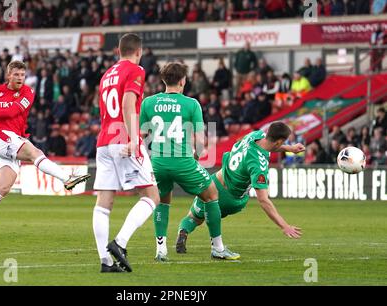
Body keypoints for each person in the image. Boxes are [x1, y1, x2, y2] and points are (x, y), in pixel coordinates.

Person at [0, 60, 90, 244]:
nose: (20, 78)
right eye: (16, 74)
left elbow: (11, 112)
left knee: (3, 188)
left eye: (23, 75)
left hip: (13, 139)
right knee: (35, 152)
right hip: (1, 137)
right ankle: (67, 179)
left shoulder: (28, 93)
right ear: (8, 75)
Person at [140, 62, 239, 262]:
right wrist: (196, 155)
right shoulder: (191, 104)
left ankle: (161, 250)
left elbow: (141, 135)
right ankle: (218, 248)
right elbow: (201, 140)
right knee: (211, 195)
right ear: (183, 81)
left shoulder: (148, 103)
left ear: (163, 80)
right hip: (183, 162)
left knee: (162, 202)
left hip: (158, 162)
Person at [176, 122, 304, 256]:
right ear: (279, 142)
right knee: (211, 214)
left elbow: (270, 146)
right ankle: (217, 247)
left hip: (213, 182)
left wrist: (290, 148)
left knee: (194, 217)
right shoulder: (258, 164)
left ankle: (183, 231)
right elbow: (263, 200)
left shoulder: (255, 135)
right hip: (230, 199)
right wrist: (284, 225)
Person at [92, 33, 160, 273]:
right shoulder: (136, 70)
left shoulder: (106, 75)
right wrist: (133, 139)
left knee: (104, 202)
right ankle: (119, 243)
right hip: (123, 137)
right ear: (139, 52)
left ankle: (105, 261)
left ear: (118, 51)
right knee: (152, 196)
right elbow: (128, 105)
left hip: (104, 139)